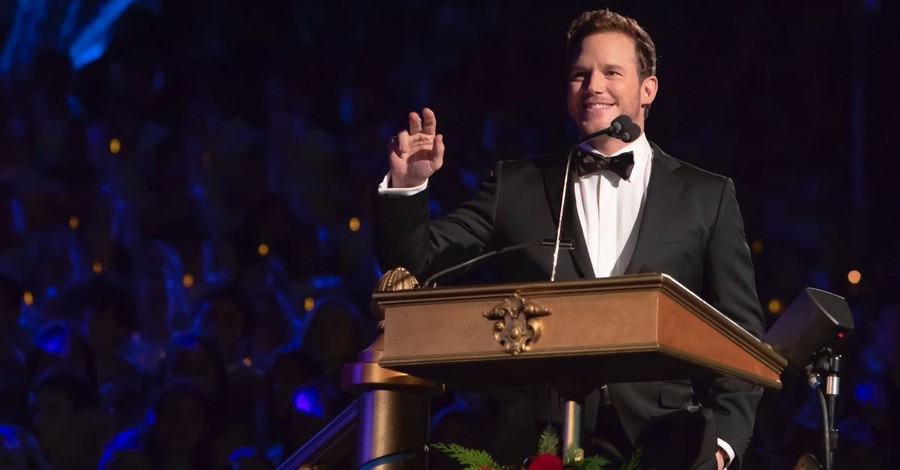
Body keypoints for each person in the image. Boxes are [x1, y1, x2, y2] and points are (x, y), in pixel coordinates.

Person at [374, 8, 764, 470]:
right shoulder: (516, 185)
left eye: (611, 72)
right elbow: (416, 262)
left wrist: (723, 445)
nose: (593, 85)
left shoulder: (706, 196)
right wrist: (408, 188)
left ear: (647, 90)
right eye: (580, 74)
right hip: (538, 443)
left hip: (667, 444)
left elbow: (741, 336)